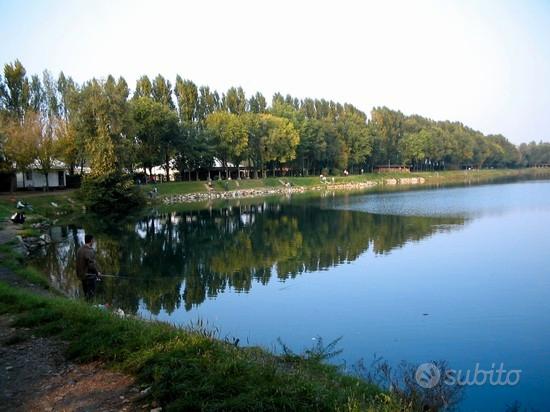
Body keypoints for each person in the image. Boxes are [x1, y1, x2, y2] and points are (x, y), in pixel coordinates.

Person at [76, 234, 100, 300]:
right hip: (89, 276)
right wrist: (97, 273)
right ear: (91, 241)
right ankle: (89, 308)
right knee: (91, 296)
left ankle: (86, 306)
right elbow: (91, 265)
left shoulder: (80, 250)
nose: (94, 242)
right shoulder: (89, 251)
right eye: (93, 240)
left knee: (86, 294)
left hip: (82, 276)